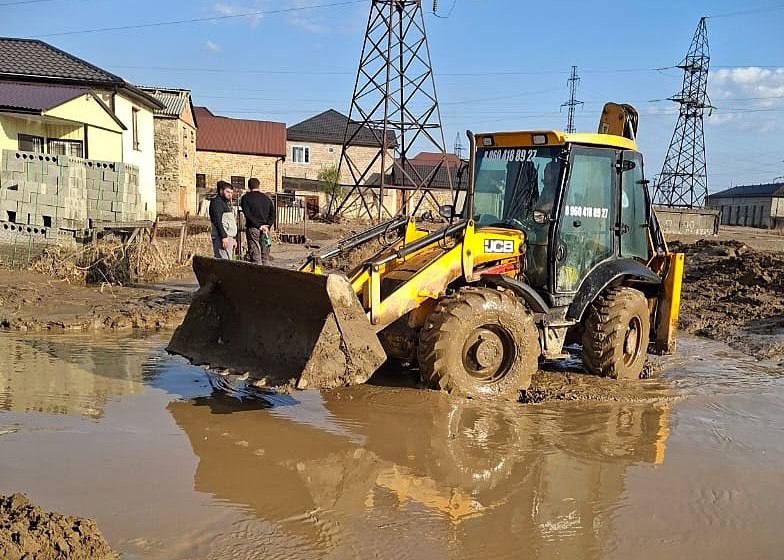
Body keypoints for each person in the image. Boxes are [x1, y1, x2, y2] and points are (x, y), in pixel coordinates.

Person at [240, 177, 275, 265]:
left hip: (253, 228)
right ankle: (266, 276)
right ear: (259, 185)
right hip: (266, 230)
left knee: (256, 255)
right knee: (265, 256)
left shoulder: (245, 198)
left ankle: (258, 276)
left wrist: (258, 226)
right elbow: (273, 214)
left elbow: (247, 214)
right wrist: (268, 226)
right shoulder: (267, 198)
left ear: (248, 186)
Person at [209, 180, 237, 259]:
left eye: (231, 193)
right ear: (221, 191)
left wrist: (233, 238)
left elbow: (228, 222)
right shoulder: (217, 203)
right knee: (223, 262)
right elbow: (217, 221)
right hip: (221, 237)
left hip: (228, 237)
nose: (230, 195)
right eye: (228, 192)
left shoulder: (224, 203)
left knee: (228, 261)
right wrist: (224, 237)